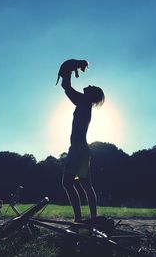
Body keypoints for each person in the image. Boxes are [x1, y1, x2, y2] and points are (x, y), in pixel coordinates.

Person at [61, 63, 105, 222]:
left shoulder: (83, 101)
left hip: (78, 148)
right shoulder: (84, 103)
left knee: (67, 183)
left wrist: (69, 70)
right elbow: (67, 87)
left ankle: (79, 219)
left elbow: (66, 87)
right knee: (86, 185)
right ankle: (92, 217)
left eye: (93, 87)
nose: (90, 85)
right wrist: (70, 70)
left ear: (92, 95)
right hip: (82, 149)